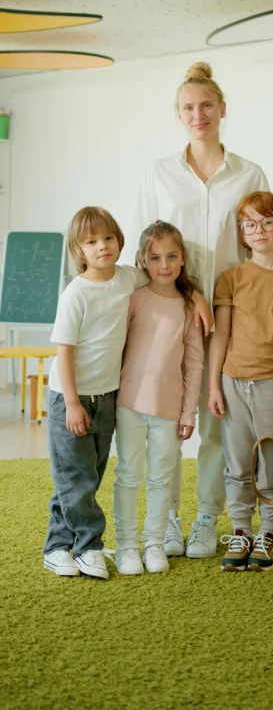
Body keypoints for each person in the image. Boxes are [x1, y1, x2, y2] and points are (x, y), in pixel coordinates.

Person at [124, 62, 273, 559]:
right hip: (169, 317)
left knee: (217, 422)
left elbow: (259, 245)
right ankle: (166, 519)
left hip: (232, 319)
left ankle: (208, 517)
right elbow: (144, 249)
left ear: (223, 109)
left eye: (206, 105)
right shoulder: (159, 173)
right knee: (164, 421)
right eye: (188, 107)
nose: (198, 114)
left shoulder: (250, 174)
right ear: (178, 115)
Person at [43, 206, 147, 580]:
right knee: (77, 478)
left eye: (108, 238)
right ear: (79, 250)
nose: (102, 246)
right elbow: (64, 352)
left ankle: (57, 547)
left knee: (85, 476)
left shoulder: (127, 278)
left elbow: (163, 278)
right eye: (91, 241)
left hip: (106, 397)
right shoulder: (76, 293)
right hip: (69, 398)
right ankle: (89, 545)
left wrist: (197, 298)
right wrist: (71, 403)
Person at [208, 192, 273, 572]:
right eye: (250, 224)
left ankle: (268, 533)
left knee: (271, 462)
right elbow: (220, 335)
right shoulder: (232, 278)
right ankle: (240, 530)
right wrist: (214, 385)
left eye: (268, 222)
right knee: (236, 462)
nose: (259, 230)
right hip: (234, 382)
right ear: (242, 233)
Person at [114, 221, 204, 575]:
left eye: (171, 256)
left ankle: (154, 542)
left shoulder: (188, 307)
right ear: (142, 260)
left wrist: (188, 413)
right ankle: (127, 546)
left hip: (168, 408)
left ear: (183, 260)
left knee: (161, 478)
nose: (164, 264)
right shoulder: (134, 298)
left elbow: (194, 363)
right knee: (128, 475)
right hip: (129, 403)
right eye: (155, 257)